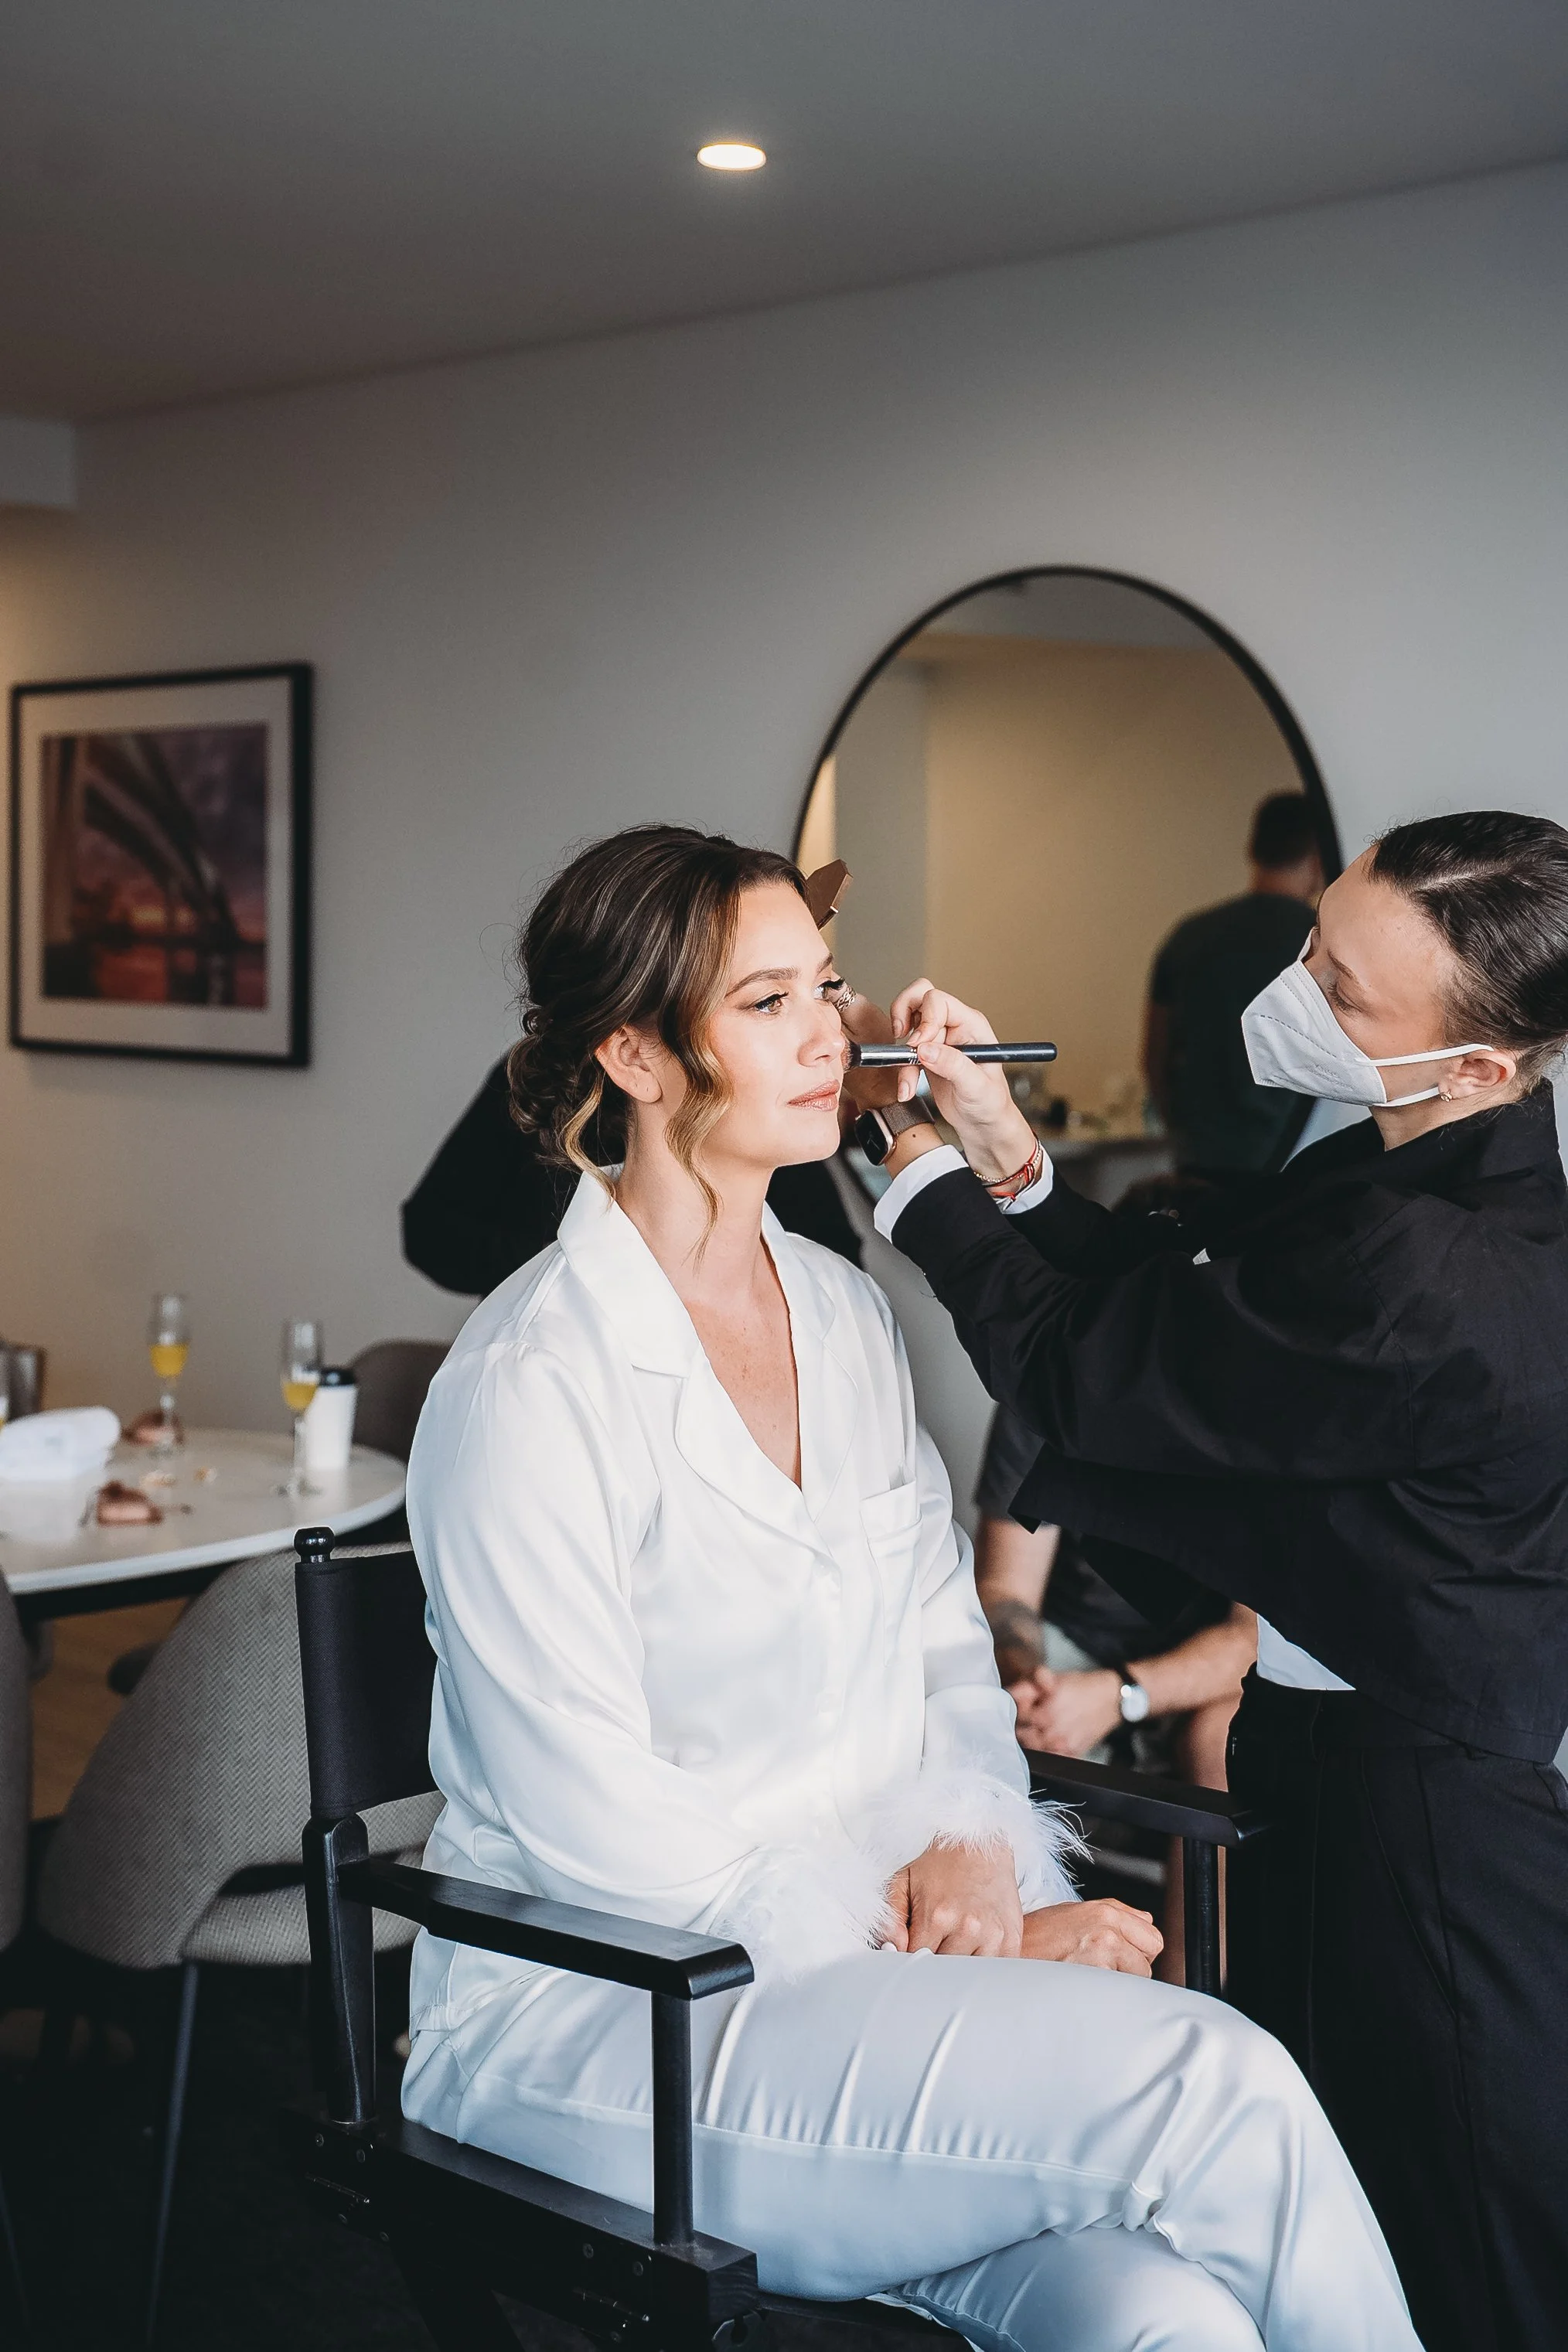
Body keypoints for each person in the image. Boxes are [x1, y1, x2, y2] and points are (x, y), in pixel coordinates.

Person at [401, 822, 1416, 2352]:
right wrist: (955, 1938)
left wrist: (970, 1840)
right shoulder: (528, 1385)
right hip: (615, 2024)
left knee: (1163, 2320)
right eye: (767, 1003)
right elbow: (593, 1818)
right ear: (636, 1052)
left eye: (828, 986)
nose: (835, 1034)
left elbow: (947, 1644)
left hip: (857, 2012)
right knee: (1211, 2082)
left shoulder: (840, 1313)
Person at [857, 810, 1568, 2352]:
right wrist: (1006, 1151)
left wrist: (912, 1178)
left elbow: (1098, 1371)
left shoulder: (1452, 1269)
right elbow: (1189, 1297)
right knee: (1324, 2181)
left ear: (1482, 1067)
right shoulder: (1399, 1164)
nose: (1298, 987)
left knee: (1456, 2221)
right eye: (1321, 939)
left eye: (1346, 991)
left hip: (1433, 1809)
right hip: (1331, 1754)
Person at [973, 1405, 1256, 1984]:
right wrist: (1027, 1681)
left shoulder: (1267, 1403)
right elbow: (1005, 1589)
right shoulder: (1048, 1386)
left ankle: (1193, 1997)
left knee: (1219, 1738)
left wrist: (1117, 1695)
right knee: (968, 1704)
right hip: (1069, 1651)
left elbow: (1249, 1641)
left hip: (1205, 1676)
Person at [402, 1052, 861, 1297]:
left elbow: (835, 1255)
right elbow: (430, 1228)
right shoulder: (536, 1080)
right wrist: (569, 1275)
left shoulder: (756, 1110)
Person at [1143, 792, 1323, 1181]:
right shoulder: (1321, 943)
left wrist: (1183, 1130)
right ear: (1318, 856)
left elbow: (1155, 1055)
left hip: (1201, 1159)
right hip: (1295, 1155)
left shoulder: (1191, 935)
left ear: (1252, 849)